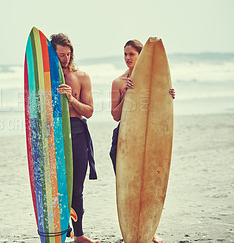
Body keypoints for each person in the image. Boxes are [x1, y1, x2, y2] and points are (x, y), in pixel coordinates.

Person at [109, 39, 175, 243]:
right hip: (124, 141)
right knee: (129, 187)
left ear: (141, 56)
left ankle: (149, 230)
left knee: (149, 182)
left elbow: (158, 113)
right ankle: (129, 232)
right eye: (125, 54)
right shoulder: (118, 82)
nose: (127, 58)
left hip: (150, 140)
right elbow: (115, 115)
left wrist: (168, 96)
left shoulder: (156, 82)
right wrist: (127, 95)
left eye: (132, 54)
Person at [51, 33, 99, 243]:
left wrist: (71, 98)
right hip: (54, 132)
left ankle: (78, 234)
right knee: (57, 186)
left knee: (76, 187)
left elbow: (89, 111)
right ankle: (61, 231)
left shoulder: (82, 77)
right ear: (52, 54)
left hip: (77, 130)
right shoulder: (46, 79)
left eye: (68, 55)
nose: (65, 59)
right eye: (60, 55)